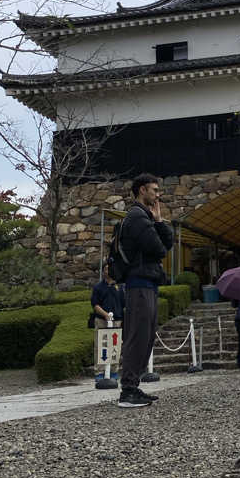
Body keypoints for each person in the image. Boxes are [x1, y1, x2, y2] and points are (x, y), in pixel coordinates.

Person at [118, 173, 173, 408]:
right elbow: (160, 249)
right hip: (138, 283)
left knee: (146, 336)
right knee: (138, 335)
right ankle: (127, 390)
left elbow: (166, 243)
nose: (157, 195)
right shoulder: (137, 217)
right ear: (142, 190)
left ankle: (133, 386)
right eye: (154, 190)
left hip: (147, 283)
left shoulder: (146, 217)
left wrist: (159, 222)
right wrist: (155, 226)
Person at [91, 260, 125, 326]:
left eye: (111, 269)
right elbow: (95, 305)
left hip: (117, 321)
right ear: (103, 271)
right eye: (106, 269)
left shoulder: (121, 286)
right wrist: (106, 315)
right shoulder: (98, 287)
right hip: (101, 321)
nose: (109, 271)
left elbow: (124, 304)